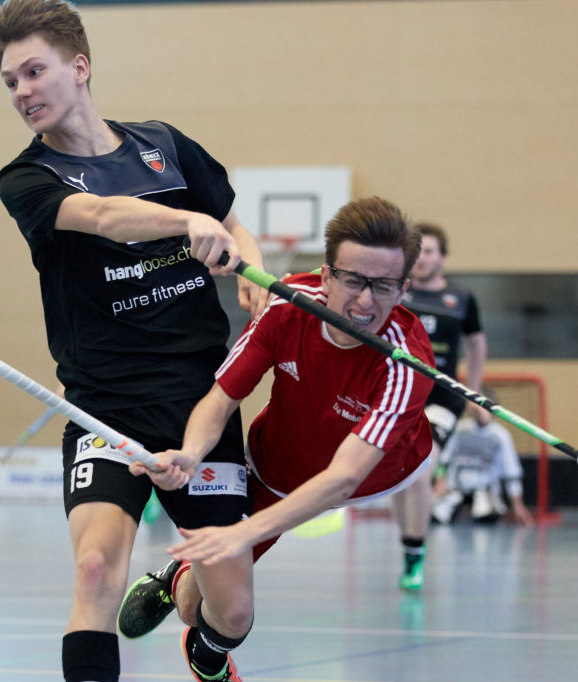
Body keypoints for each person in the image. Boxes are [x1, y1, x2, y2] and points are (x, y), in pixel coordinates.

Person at [0, 0, 266, 682]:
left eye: (34, 70)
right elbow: (106, 218)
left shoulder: (165, 147)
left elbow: (230, 218)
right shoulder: (28, 180)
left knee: (234, 610)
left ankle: (202, 646)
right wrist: (187, 223)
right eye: (9, 80)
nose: (21, 90)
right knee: (94, 565)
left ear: (79, 66)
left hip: (202, 402)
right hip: (102, 408)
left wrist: (249, 269)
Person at [119, 195, 435, 648]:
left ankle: (209, 661)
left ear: (402, 290)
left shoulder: (406, 363)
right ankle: (176, 578)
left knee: (226, 584)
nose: (366, 301)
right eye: (353, 280)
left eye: (383, 286)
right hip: (277, 461)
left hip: (370, 475)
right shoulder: (287, 306)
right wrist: (190, 453)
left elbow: (343, 478)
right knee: (193, 606)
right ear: (326, 276)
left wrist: (242, 533)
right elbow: (222, 398)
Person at [389, 223, 488, 591]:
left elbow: (476, 345)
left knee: (422, 467)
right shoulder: (395, 291)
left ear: (442, 257)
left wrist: (474, 393)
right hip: (398, 393)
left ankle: (415, 550)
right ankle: (409, 546)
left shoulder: (461, 300)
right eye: (416, 252)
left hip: (442, 396)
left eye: (429, 251)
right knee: (398, 477)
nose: (422, 258)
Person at [432, 413, 533, 525]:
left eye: (486, 409)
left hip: (484, 490)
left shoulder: (501, 435)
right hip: (455, 487)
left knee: (487, 517)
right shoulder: (460, 429)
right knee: (436, 514)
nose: (481, 412)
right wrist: (440, 482)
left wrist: (517, 505)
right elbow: (443, 459)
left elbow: (511, 472)